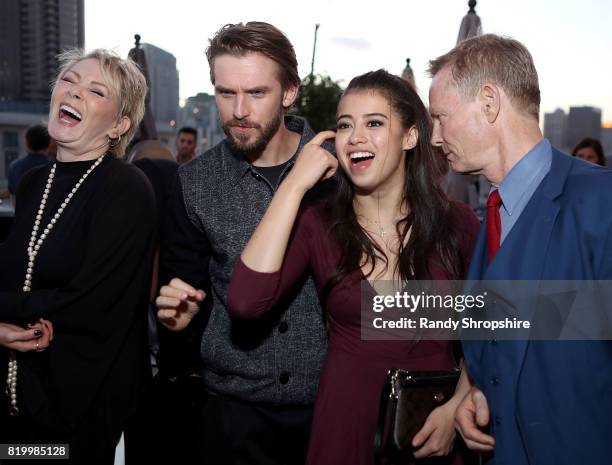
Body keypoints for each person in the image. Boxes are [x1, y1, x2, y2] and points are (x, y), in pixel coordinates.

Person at [227, 69, 480, 465]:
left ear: (410, 136)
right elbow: (244, 301)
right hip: (345, 428)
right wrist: (294, 185)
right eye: (345, 125)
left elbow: (503, 325)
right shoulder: (320, 223)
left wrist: (462, 399)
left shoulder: (459, 224)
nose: (356, 137)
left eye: (374, 123)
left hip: (435, 427)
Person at [428, 34, 612, 465]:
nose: (436, 137)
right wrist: (475, 392)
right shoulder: (488, 213)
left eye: (441, 118)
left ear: (489, 102)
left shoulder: (602, 201)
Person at [155, 22, 328, 465]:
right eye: (225, 92)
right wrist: (181, 319)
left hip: (330, 406)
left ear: (289, 92)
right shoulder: (194, 182)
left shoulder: (340, 173)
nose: (238, 110)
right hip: (231, 412)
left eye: (256, 93)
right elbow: (185, 294)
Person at [0, 48, 156, 465]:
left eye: (96, 90)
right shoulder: (33, 182)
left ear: (120, 124)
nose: (74, 93)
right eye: (69, 81)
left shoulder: (126, 188)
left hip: (75, 408)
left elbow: (89, 303)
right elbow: (20, 270)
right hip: (16, 400)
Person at [8, 124, 52, 206]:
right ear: (49, 143)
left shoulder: (14, 167)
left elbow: (14, 201)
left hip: (23, 216)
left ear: (27, 143)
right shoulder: (56, 168)